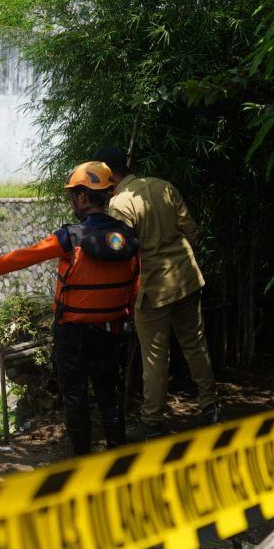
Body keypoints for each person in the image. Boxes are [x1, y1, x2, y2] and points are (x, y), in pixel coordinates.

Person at [0, 162, 140, 455]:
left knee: (75, 395)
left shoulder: (70, 237)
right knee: (110, 394)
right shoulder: (126, 237)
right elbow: (135, 283)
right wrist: (128, 318)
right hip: (112, 330)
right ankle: (119, 457)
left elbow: (26, 256)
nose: (72, 200)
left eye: (73, 195)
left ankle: (82, 459)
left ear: (83, 197)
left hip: (73, 333)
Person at [93, 146, 219, 437]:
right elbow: (191, 229)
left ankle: (151, 422)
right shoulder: (164, 186)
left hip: (152, 288)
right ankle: (210, 405)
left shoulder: (120, 203)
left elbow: (120, 249)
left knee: (155, 357)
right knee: (195, 344)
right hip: (186, 277)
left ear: (109, 175)